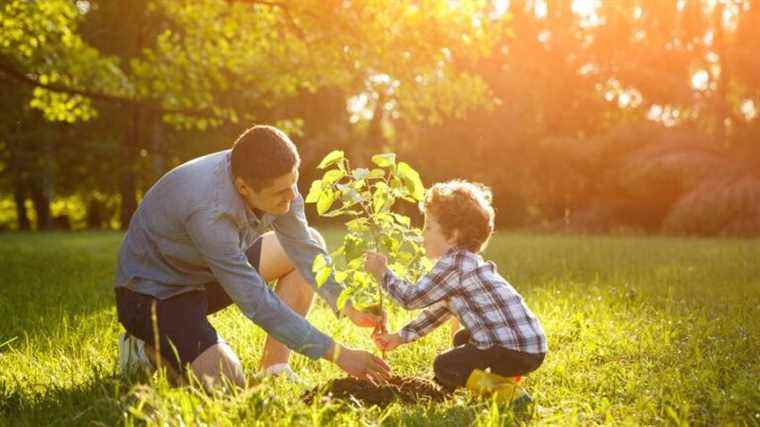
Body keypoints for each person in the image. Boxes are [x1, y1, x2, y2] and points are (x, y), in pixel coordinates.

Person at [115, 125, 390, 388]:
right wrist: (340, 355)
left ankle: (275, 370)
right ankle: (144, 348)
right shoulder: (209, 211)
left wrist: (348, 306)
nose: (292, 196)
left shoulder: (275, 180)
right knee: (226, 381)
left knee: (312, 241)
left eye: (293, 184)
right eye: (281, 192)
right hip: (154, 294)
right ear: (243, 188)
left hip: (205, 272)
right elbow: (257, 302)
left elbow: (304, 249)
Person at [365, 180, 547, 391]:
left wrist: (382, 273)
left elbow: (410, 298)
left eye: (428, 227)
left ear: (453, 236)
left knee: (444, 365)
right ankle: (487, 382)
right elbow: (437, 313)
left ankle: (504, 392)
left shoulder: (454, 265)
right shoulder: (465, 264)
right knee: (462, 340)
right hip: (529, 346)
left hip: (513, 350)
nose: (422, 234)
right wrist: (399, 337)